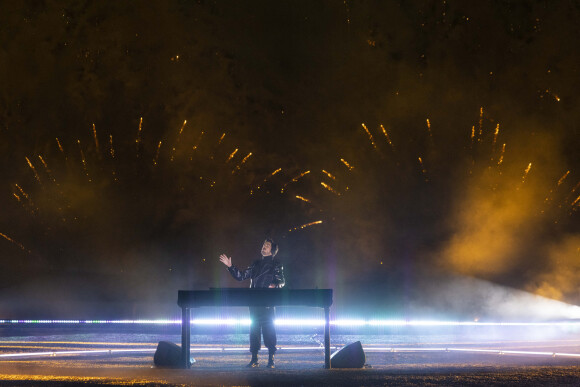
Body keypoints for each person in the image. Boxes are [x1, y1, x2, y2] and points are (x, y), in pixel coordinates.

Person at [219, 238, 285, 368]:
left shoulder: (276, 264)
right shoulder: (255, 263)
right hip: (254, 301)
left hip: (267, 303)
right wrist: (230, 266)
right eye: (263, 244)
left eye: (267, 245)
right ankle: (254, 359)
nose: (264, 246)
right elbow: (241, 276)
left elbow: (282, 281)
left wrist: (274, 285)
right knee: (254, 330)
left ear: (272, 250)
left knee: (269, 330)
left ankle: (271, 360)